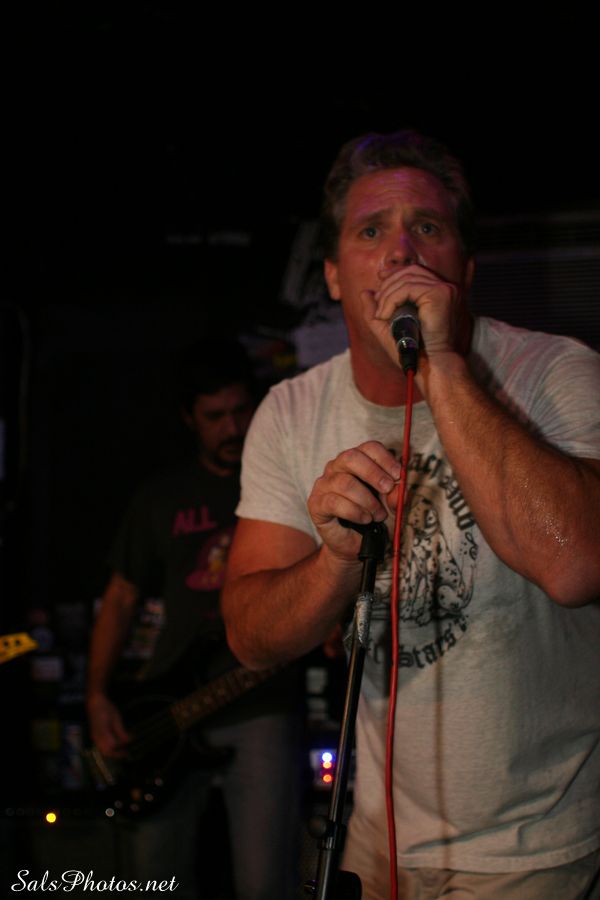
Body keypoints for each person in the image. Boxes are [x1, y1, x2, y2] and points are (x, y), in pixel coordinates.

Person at [221, 132, 600, 899]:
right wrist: (333, 563)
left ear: (465, 267)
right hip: (378, 837)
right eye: (371, 231)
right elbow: (251, 636)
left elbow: (577, 564)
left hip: (533, 843)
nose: (401, 251)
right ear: (333, 276)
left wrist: (440, 363)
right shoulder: (290, 413)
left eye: (427, 227)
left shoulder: (556, 371)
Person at [86, 338, 300, 900]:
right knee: (154, 877)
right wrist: (97, 695)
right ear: (189, 418)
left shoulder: (287, 480)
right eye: (214, 416)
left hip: (259, 698)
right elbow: (120, 598)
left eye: (241, 410)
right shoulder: (161, 497)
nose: (232, 428)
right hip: (169, 704)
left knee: (264, 883)